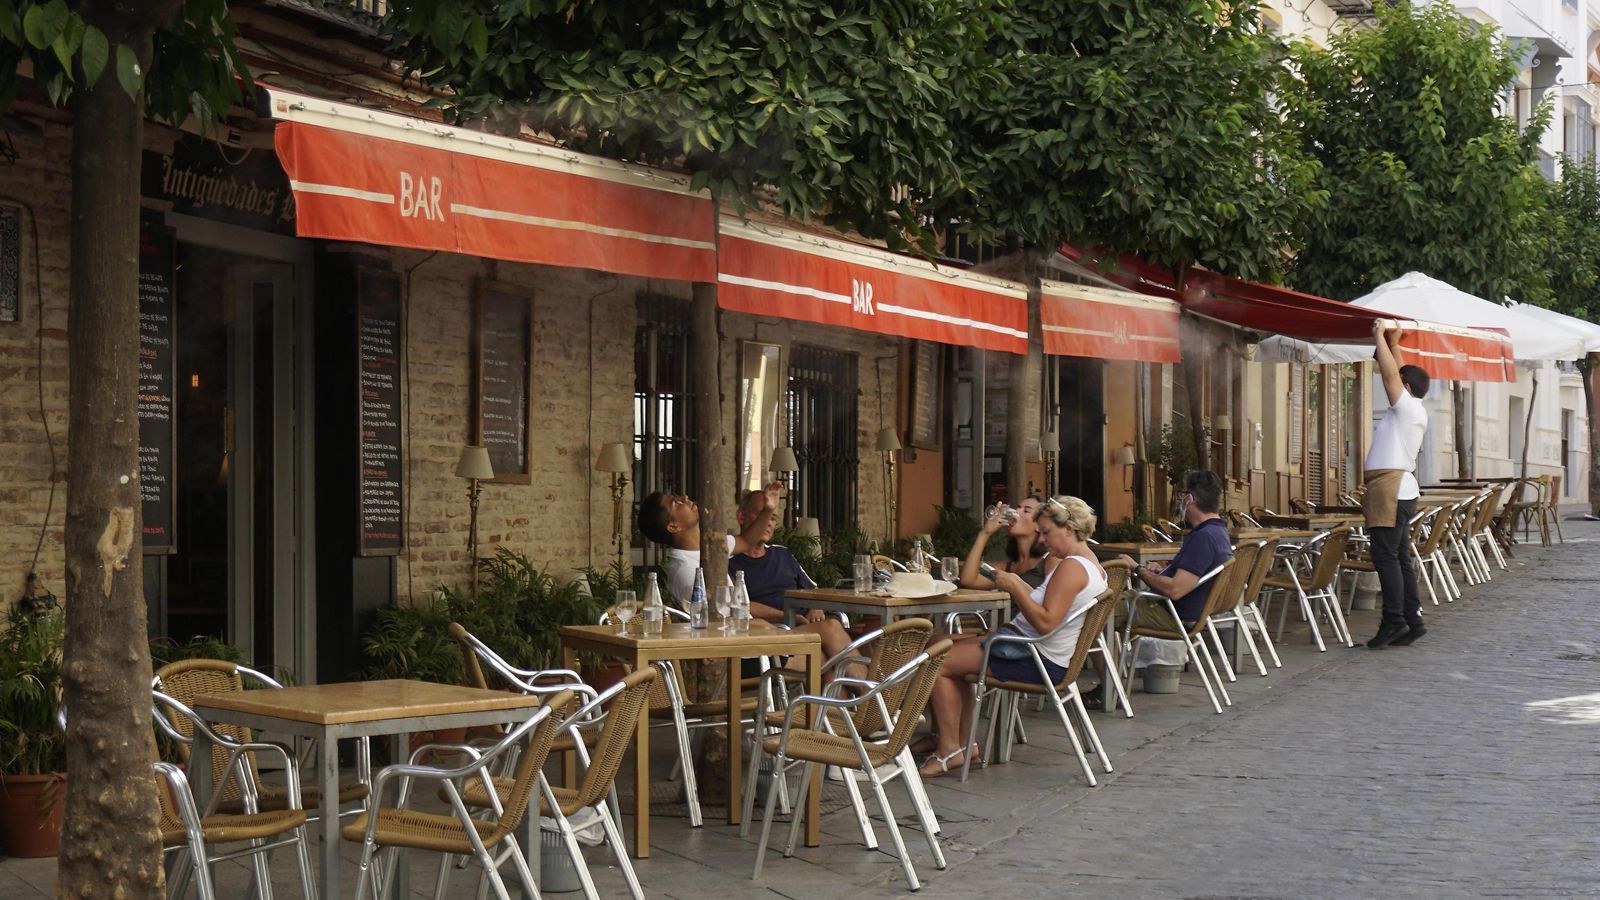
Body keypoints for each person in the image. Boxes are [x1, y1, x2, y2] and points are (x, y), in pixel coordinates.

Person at [918, 496, 1108, 777]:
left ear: (1068, 528)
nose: (1042, 540)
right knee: (938, 643)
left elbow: (1045, 622)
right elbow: (1050, 617)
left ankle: (950, 749)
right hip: (1037, 650)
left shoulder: (1072, 567)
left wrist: (1015, 586)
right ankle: (960, 743)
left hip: (1037, 659)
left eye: (1046, 532)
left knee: (937, 660)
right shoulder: (1089, 563)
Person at [1362, 322, 1430, 649]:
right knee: (1400, 558)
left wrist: (1378, 338)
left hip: (1390, 488)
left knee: (1386, 558)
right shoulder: (1413, 409)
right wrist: (1393, 342)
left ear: (1406, 387)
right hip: (1398, 488)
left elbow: (1392, 376)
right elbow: (1398, 373)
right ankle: (1411, 620)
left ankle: (1394, 621)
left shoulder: (1405, 408)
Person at [726, 489, 853, 660]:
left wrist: (815, 607)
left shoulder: (782, 554)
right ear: (741, 517)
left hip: (803, 630)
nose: (768, 523)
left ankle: (870, 687)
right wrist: (788, 615)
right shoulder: (729, 561)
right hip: (770, 636)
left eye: (772, 518)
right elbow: (737, 606)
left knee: (837, 659)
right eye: (762, 515)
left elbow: (813, 591)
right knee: (831, 630)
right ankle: (878, 687)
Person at [637, 480, 781, 608]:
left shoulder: (711, 544)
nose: (685, 498)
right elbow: (717, 619)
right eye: (676, 502)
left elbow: (747, 541)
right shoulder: (685, 570)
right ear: (673, 526)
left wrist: (768, 509)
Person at [1121, 469, 1232, 632]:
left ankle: (1110, 658)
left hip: (1171, 613)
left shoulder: (1204, 537)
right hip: (1189, 611)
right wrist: (1163, 571)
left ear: (1189, 499)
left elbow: (1174, 589)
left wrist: (1138, 569)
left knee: (1098, 612)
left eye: (1183, 494)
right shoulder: (1219, 532)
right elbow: (1191, 575)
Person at [958, 496, 1057, 590]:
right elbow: (968, 580)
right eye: (1017, 508)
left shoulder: (1050, 560)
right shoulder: (1007, 567)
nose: (1017, 512)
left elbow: (1053, 604)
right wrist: (985, 533)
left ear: (1039, 525)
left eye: (1026, 510)